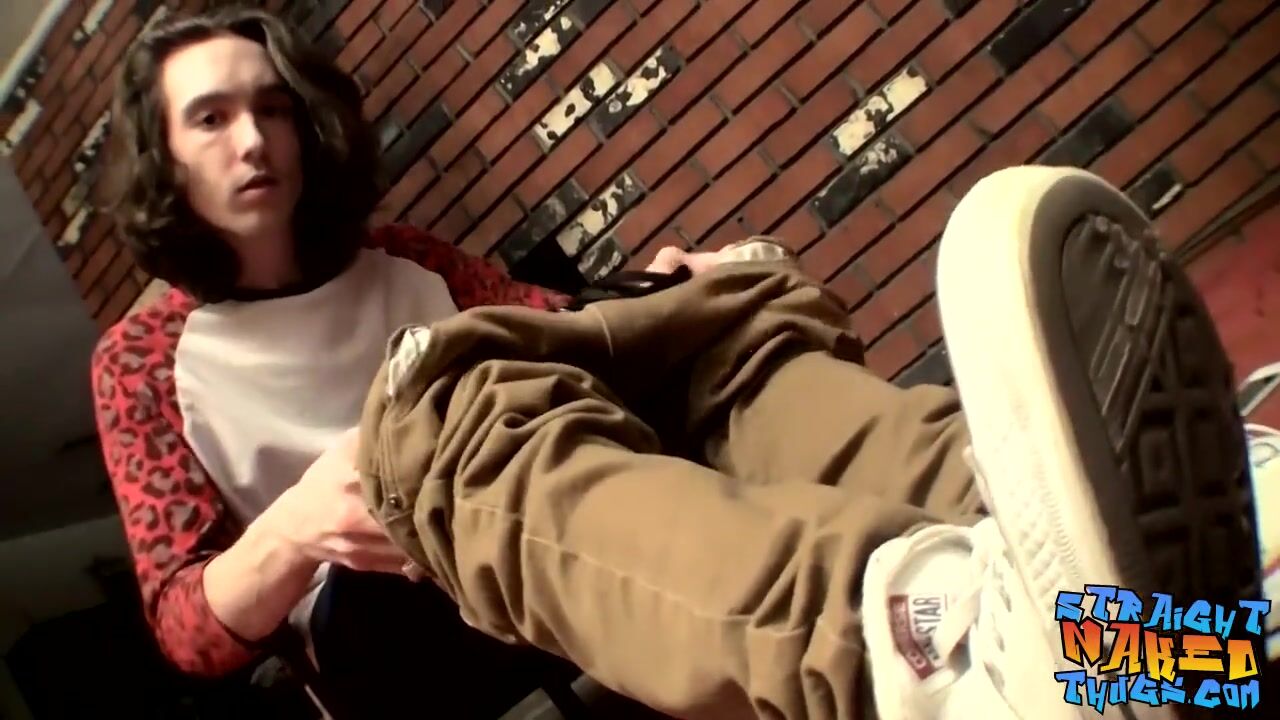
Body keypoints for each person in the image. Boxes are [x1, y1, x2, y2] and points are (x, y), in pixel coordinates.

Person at [90, 6, 1259, 720]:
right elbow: (189, 628)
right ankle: (934, 649)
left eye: (271, 108)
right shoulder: (143, 362)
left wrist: (664, 300)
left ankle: (1186, 633)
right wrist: (292, 528)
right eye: (210, 118)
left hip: (575, 488)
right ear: (163, 158)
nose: (254, 138)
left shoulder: (403, 257)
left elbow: (550, 328)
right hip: (399, 613)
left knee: (718, 345)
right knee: (447, 404)